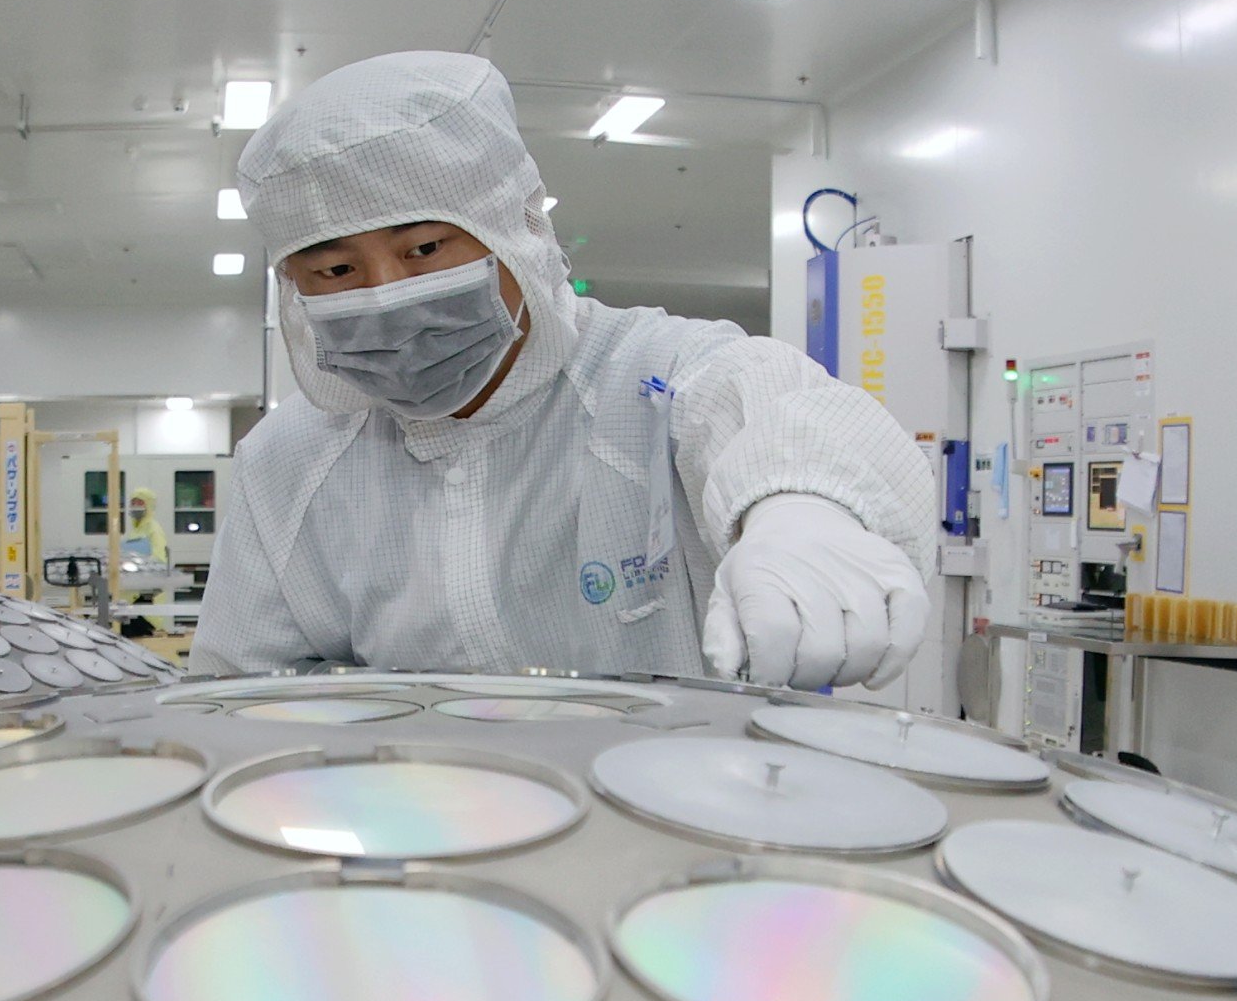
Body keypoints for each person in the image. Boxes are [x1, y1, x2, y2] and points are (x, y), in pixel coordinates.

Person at [191, 51, 936, 690]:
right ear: (293, 287)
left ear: (518, 230)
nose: (385, 294)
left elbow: (776, 403)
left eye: (423, 250)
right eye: (335, 268)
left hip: (686, 824)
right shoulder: (289, 463)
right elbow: (244, 696)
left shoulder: (648, 376)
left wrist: (801, 508)